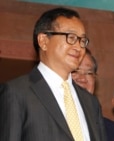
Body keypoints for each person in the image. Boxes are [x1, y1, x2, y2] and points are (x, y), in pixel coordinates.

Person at [0, 7, 107, 141]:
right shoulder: (16, 93)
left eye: (82, 40)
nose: (79, 47)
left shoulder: (91, 102)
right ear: (44, 41)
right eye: (71, 37)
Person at [72, 48, 114, 141]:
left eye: (89, 73)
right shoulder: (49, 120)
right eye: (75, 71)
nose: (82, 78)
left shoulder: (113, 131)